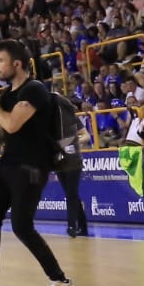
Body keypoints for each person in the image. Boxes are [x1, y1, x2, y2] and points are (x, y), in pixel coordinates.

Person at [0, 41, 76, 286]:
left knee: (22, 226)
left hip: (32, 167)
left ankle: (60, 281)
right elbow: (3, 135)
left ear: (17, 64)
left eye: (0, 61)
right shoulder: (9, 96)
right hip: (7, 164)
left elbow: (11, 124)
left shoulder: (34, 90)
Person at [53, 89, 88, 238]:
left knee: (71, 193)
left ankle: (72, 225)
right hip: (59, 160)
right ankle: (83, 226)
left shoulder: (72, 117)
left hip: (73, 159)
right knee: (70, 193)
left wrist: (73, 142)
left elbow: (86, 135)